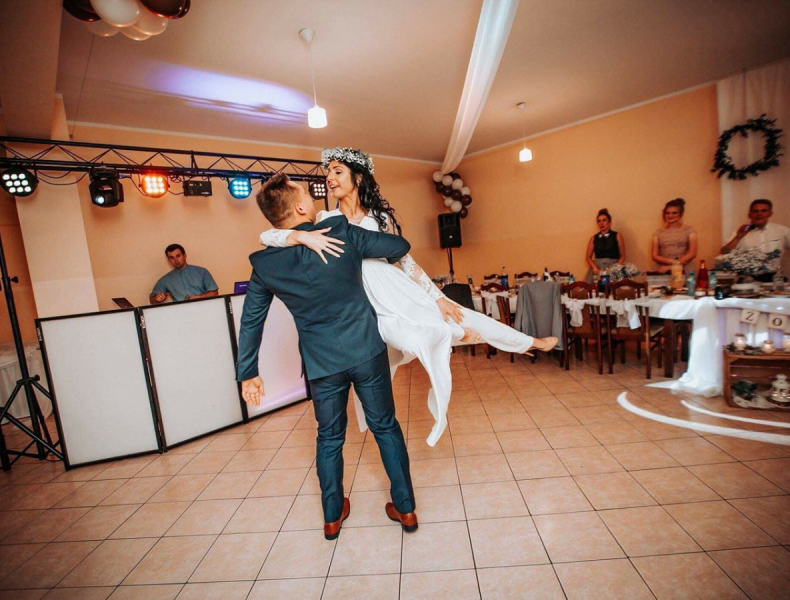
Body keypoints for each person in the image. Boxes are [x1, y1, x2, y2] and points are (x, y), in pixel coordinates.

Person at [260, 147, 557, 446]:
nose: (329, 177)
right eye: (328, 172)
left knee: (458, 313)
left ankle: (528, 342)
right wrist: (297, 235)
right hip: (360, 296)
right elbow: (267, 236)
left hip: (393, 286)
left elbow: (406, 260)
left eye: (337, 171)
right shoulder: (325, 218)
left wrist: (438, 297)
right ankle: (454, 335)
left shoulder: (380, 218)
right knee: (409, 337)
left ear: (358, 178)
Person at [238, 173, 417, 540]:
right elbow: (399, 246)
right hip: (365, 350)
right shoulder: (342, 233)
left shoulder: (266, 264)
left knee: (329, 437)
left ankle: (332, 516)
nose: (312, 195)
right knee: (385, 427)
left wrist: (248, 372)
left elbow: (251, 320)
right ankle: (406, 508)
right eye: (306, 193)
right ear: (300, 208)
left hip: (321, 363)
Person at [721, 199, 790, 274]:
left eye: (764, 211)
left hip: (774, 278)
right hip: (748, 279)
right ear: (749, 215)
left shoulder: (782, 231)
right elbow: (724, 252)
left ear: (770, 214)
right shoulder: (740, 233)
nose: (759, 214)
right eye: (755, 211)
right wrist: (738, 237)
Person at [150, 244, 218, 304]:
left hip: (204, 308)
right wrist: (158, 298)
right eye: (172, 257)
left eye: (178, 256)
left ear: (184, 255)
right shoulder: (166, 280)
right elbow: (152, 300)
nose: (176, 260)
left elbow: (215, 293)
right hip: (180, 312)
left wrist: (199, 297)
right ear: (168, 260)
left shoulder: (202, 272)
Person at [651, 198, 698, 273]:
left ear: (680, 214)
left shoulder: (690, 231)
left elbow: (692, 254)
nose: (670, 215)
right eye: (667, 213)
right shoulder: (658, 233)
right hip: (663, 269)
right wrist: (672, 262)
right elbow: (654, 256)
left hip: (684, 268)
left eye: (674, 213)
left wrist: (674, 265)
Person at [585, 208, 626, 281]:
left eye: (604, 220)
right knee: (594, 287)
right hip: (598, 270)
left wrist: (616, 268)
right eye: (599, 221)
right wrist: (594, 267)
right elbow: (588, 257)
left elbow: (623, 256)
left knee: (615, 287)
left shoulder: (617, 236)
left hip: (614, 269)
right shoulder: (593, 238)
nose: (601, 223)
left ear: (609, 222)